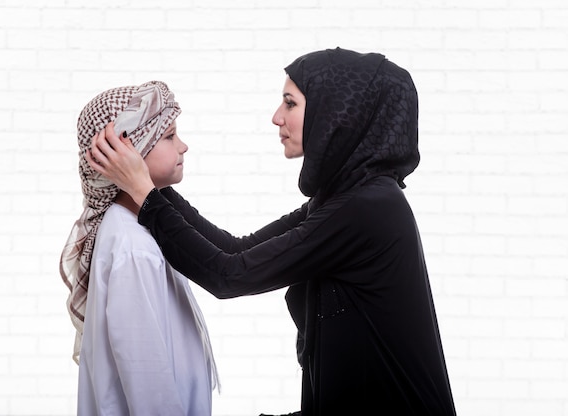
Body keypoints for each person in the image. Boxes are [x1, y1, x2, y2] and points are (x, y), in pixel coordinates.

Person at [86, 48, 457, 415]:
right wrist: (146, 186)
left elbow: (230, 276)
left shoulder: (368, 209)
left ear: (337, 112)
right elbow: (235, 249)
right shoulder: (345, 199)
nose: (276, 117)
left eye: (290, 104)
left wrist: (145, 193)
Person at [59, 81, 219, 416]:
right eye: (170, 136)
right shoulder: (132, 246)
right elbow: (147, 379)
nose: (183, 146)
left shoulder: (141, 228)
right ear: (132, 150)